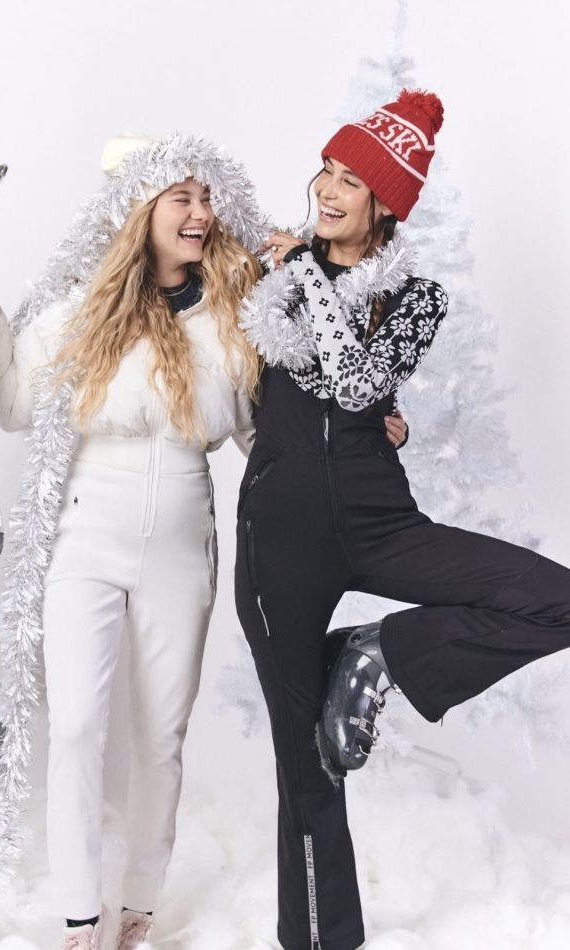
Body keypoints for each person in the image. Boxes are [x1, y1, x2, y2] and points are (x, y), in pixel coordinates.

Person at [235, 88, 570, 950]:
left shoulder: (413, 297)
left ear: (386, 203)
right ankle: (322, 942)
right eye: (326, 170)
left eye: (352, 180)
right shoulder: (266, 276)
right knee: (308, 762)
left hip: (380, 519)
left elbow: (355, 384)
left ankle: (378, 653)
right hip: (282, 534)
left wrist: (309, 274)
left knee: (556, 598)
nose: (327, 190)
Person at [0, 133, 269, 949]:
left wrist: (361, 431)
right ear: (140, 210)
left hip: (182, 546)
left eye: (206, 197)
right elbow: (11, 400)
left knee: (160, 739)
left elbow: (267, 437)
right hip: (84, 537)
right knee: (77, 727)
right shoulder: (83, 310)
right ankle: (80, 915)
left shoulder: (234, 317)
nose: (199, 213)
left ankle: (138, 909)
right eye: (180, 198)